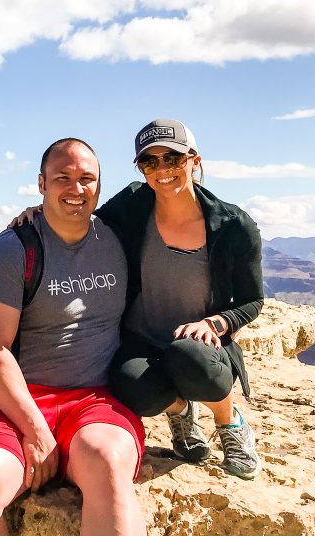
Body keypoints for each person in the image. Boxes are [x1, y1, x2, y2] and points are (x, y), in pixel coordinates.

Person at [0, 139, 146, 536]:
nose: (76, 189)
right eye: (63, 178)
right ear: (41, 184)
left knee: (108, 462)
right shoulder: (11, 251)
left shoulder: (119, 237)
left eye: (86, 179)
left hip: (97, 398)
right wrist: (36, 430)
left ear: (99, 186)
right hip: (22, 397)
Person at [96, 119, 264, 479]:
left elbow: (252, 300)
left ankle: (229, 422)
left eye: (172, 158)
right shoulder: (133, 205)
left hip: (198, 345)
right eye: (149, 162)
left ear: (194, 160)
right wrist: (35, 218)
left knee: (189, 358)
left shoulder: (233, 225)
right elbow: (80, 223)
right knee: (130, 387)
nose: (161, 170)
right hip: (142, 336)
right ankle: (180, 412)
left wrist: (215, 323)